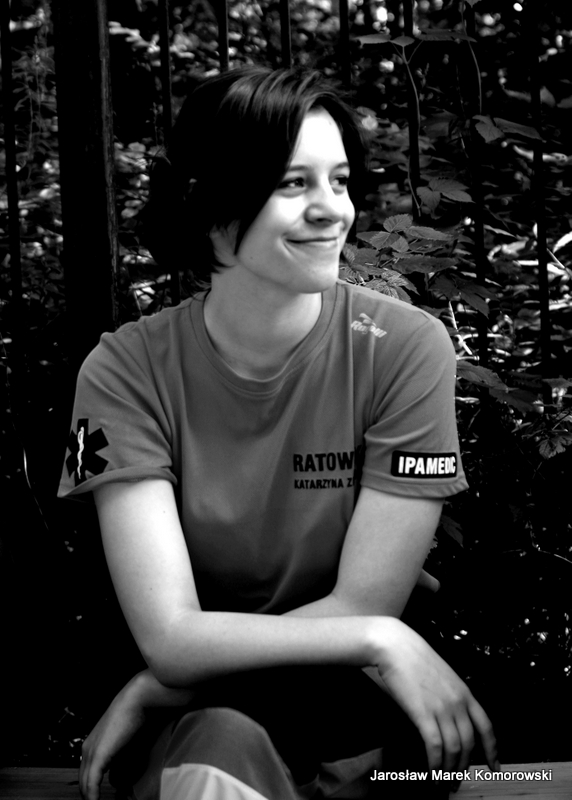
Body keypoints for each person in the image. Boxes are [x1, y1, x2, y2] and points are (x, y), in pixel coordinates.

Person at [59, 66, 498, 800]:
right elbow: (171, 634)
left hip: (352, 713)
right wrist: (379, 638)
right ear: (209, 203)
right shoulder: (124, 370)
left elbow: (364, 603)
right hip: (205, 725)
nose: (332, 211)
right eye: (294, 183)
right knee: (217, 750)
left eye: (340, 181)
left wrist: (159, 683)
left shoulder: (404, 347)